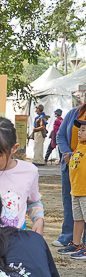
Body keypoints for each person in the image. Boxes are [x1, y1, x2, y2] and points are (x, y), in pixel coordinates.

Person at [52, 101, 86, 250]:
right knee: (70, 201)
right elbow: (60, 136)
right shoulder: (74, 113)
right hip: (70, 164)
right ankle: (68, 237)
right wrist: (67, 153)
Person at [61, 120, 86, 259]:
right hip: (75, 190)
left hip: (85, 191)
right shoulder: (79, 146)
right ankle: (76, 244)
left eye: (83, 130)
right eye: (79, 129)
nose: (79, 132)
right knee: (78, 219)